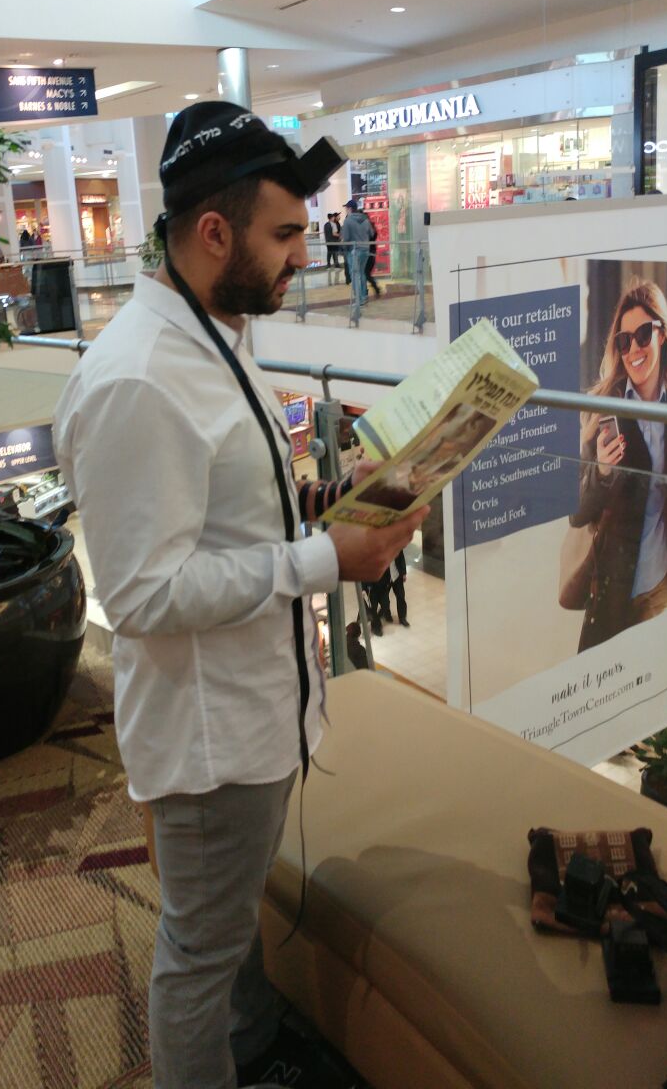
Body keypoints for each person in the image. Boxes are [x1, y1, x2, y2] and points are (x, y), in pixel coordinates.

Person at [53, 101, 426, 1089]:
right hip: (210, 739)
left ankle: (253, 1044)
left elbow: (228, 508)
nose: (306, 254)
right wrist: (321, 561)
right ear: (214, 232)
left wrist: (327, 504)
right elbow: (141, 594)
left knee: (224, 925)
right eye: (286, 233)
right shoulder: (140, 379)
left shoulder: (218, 333)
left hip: (255, 711)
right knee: (196, 953)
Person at [567, 279, 667, 652]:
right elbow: (577, 514)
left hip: (658, 587)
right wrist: (601, 470)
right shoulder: (603, 410)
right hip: (611, 591)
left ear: (662, 334)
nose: (633, 350)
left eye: (643, 335)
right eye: (624, 341)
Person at [341, 198, 372, 308]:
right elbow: (371, 233)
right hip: (365, 249)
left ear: (350, 209)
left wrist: (344, 247)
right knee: (362, 273)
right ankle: (364, 297)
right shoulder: (365, 219)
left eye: (346, 208)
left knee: (354, 275)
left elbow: (346, 238)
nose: (346, 210)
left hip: (354, 251)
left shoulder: (348, 220)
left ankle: (358, 299)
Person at [364, 212, 381, 298]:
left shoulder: (367, 228)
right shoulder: (372, 227)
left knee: (366, 273)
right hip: (372, 252)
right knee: (366, 273)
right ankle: (374, 288)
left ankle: (375, 288)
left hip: (368, 252)